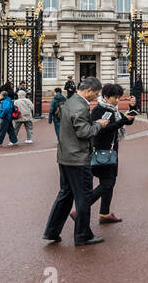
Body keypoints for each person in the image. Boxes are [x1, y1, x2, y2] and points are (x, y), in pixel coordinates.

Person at [42, 76, 111, 247]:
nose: (95, 97)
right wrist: (99, 125)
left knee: (65, 194)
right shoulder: (80, 107)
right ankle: (82, 235)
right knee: (83, 197)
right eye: (95, 94)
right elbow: (84, 132)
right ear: (88, 91)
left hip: (65, 156)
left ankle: (52, 231)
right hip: (78, 158)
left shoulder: (70, 101)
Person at [79, 83, 137, 223]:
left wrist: (131, 110)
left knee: (111, 182)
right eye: (115, 98)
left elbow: (122, 123)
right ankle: (81, 208)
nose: (117, 100)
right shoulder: (100, 110)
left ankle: (104, 214)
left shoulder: (112, 109)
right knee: (107, 183)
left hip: (111, 150)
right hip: (102, 150)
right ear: (106, 96)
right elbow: (102, 129)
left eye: (118, 97)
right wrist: (123, 120)